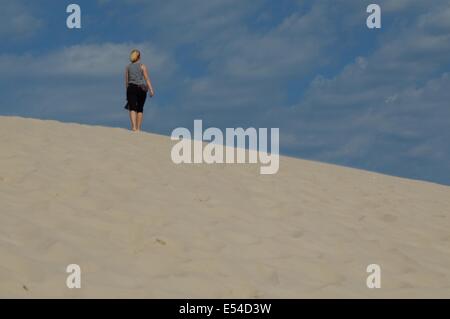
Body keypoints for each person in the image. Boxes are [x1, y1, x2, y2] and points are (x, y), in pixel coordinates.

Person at [125, 49, 155, 131]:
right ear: (139, 57)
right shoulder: (142, 66)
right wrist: (151, 90)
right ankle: (138, 128)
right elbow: (147, 79)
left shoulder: (128, 67)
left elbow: (127, 81)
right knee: (140, 108)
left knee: (132, 108)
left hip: (131, 88)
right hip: (141, 89)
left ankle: (133, 127)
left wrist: (127, 92)